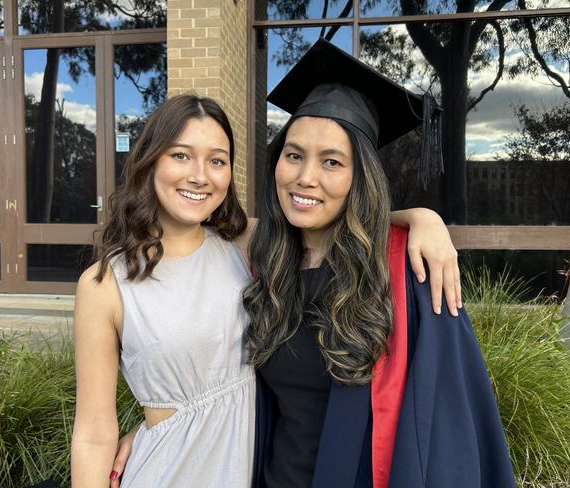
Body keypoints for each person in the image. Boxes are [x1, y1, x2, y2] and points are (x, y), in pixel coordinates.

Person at [72, 94, 462, 488]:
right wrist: (152, 428)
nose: (199, 175)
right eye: (180, 155)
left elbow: (326, 212)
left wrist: (423, 219)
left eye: (217, 160)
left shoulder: (243, 247)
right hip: (168, 472)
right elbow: (92, 433)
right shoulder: (104, 285)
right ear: (150, 160)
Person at [245, 39, 516, 488]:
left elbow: (451, 430)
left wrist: (422, 219)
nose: (304, 177)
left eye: (331, 161)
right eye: (294, 155)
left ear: (360, 178)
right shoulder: (266, 269)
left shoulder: (411, 275)